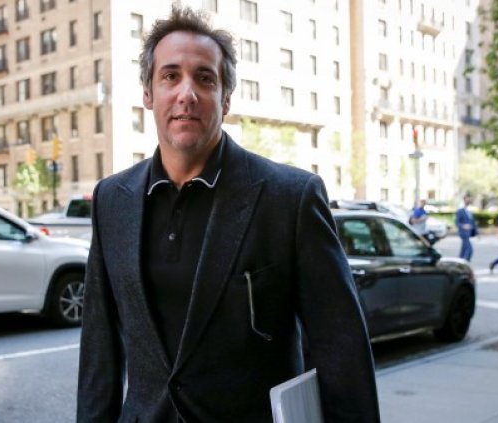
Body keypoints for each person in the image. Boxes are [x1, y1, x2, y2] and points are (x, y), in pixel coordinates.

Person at [77, 6, 379, 423]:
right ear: (148, 94)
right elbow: (99, 351)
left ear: (226, 98)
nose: (187, 93)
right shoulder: (112, 199)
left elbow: (340, 350)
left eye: (205, 78)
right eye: (170, 76)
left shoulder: (290, 197)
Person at [455, 195, 478, 261]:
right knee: (469, 249)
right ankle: (465, 263)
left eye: (469, 199)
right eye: (467, 199)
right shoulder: (460, 210)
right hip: (463, 233)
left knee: (463, 250)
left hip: (469, 233)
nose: (468, 201)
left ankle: (459, 263)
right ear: (464, 200)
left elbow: (472, 222)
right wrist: (463, 226)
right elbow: (457, 222)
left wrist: (476, 232)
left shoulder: (469, 210)